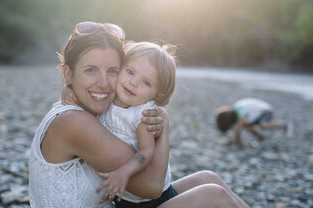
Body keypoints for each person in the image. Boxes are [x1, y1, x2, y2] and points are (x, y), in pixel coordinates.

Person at [30, 21, 250, 208]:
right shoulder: (75, 122)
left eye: (113, 71)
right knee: (214, 196)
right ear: (69, 73)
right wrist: (164, 127)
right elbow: (153, 187)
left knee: (209, 178)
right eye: (90, 70)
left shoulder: (90, 106)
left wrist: (70, 88)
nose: (104, 83)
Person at [94, 41, 178, 207]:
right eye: (130, 72)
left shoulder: (142, 114)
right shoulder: (108, 95)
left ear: (157, 94)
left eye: (146, 83)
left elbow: (147, 152)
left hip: (150, 200)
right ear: (120, 67)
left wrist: (123, 173)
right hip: (122, 193)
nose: (133, 83)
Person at [215, 97, 292, 144]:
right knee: (246, 125)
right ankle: (260, 137)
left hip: (264, 111)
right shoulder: (236, 109)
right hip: (255, 116)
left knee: (263, 125)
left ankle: (284, 125)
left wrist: (237, 134)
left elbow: (243, 117)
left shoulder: (238, 108)